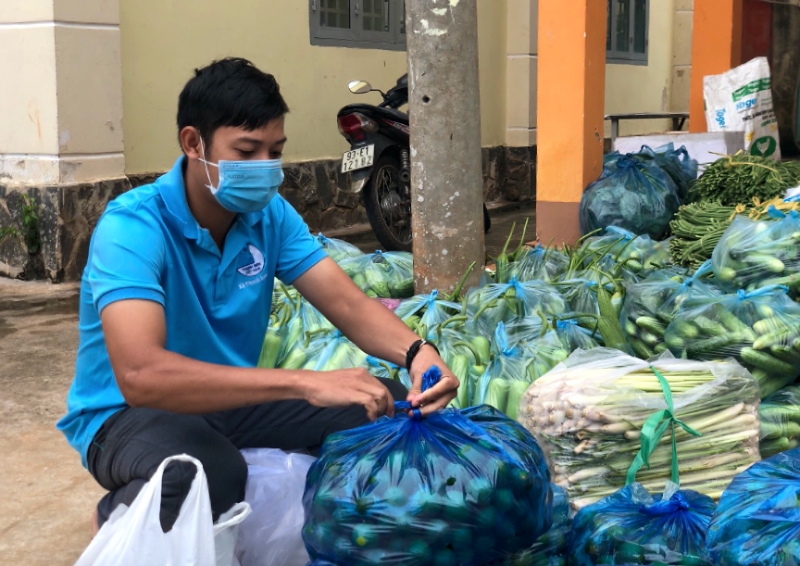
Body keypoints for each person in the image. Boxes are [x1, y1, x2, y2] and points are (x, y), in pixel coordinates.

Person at [57, 57, 459, 534]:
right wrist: (304, 383)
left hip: (227, 399)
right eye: (247, 151)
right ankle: (116, 517)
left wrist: (416, 352)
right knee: (207, 475)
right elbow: (141, 376)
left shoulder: (270, 216)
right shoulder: (133, 227)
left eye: (275, 152)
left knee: (383, 408)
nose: (265, 168)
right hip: (124, 417)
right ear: (193, 143)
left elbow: (347, 303)